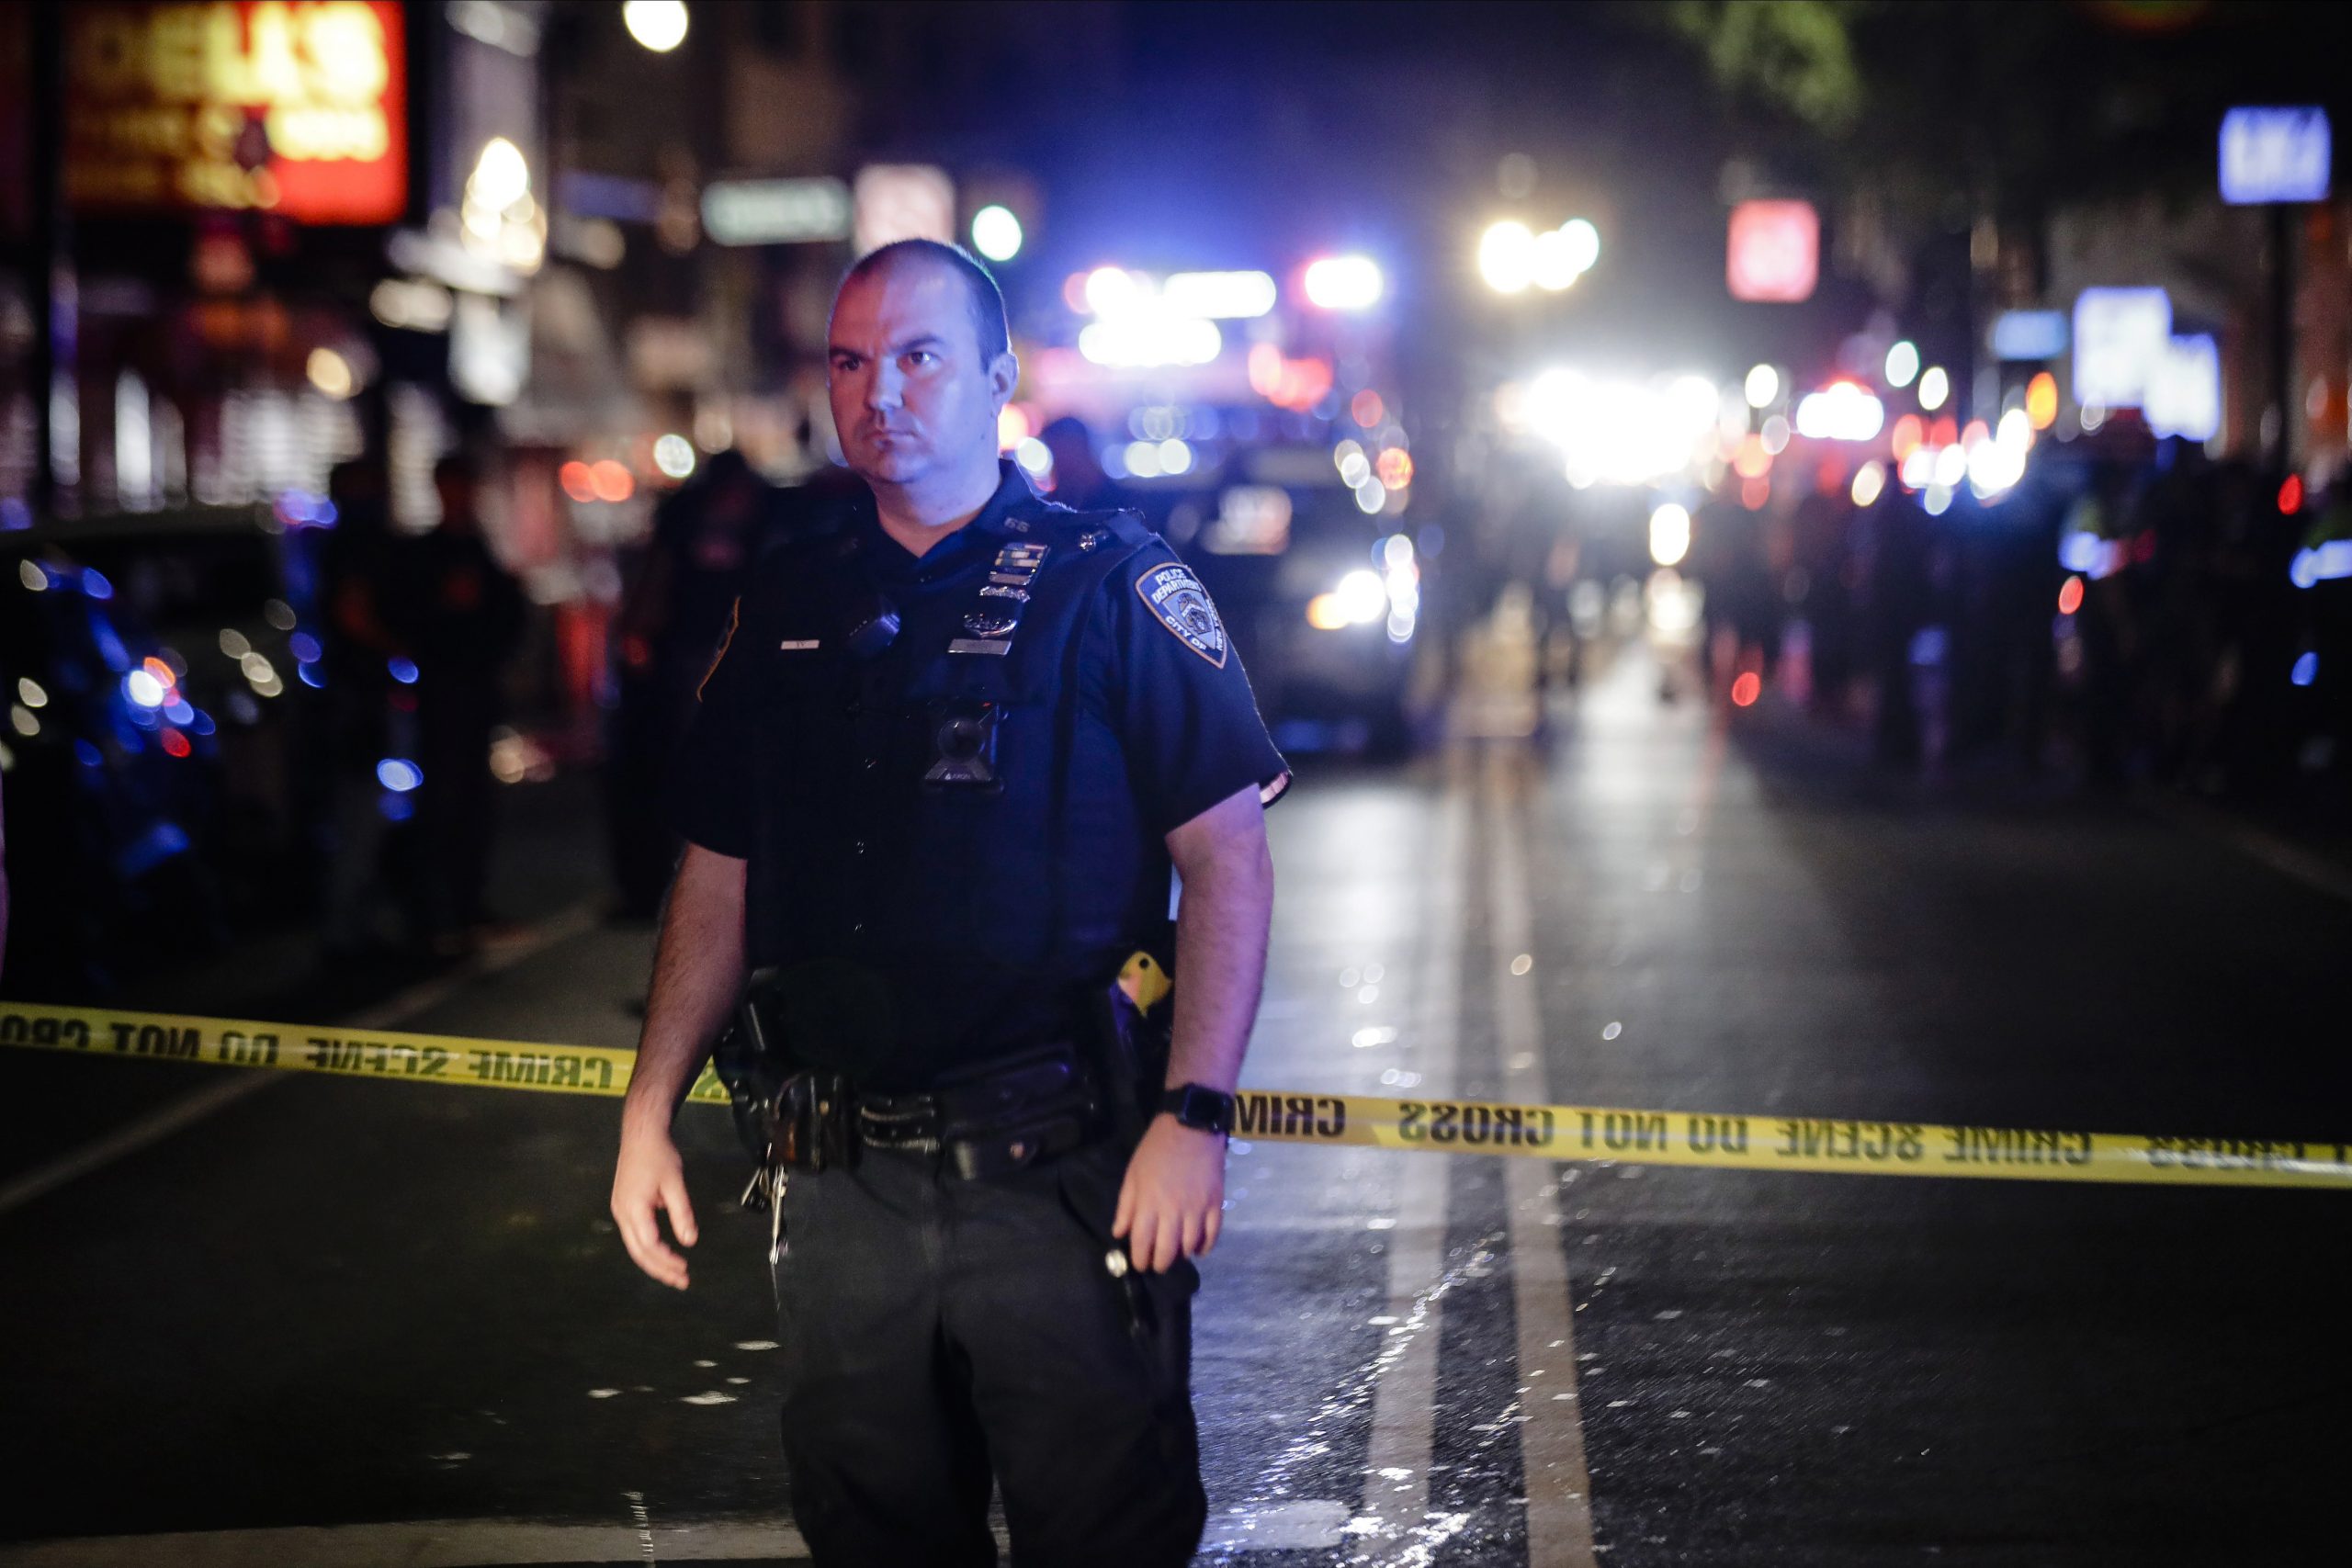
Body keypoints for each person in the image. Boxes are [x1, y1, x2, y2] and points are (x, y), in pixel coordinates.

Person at [609, 238, 1286, 1566]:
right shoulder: (791, 595)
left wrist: (1194, 1115)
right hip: (839, 1185)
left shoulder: (1112, 585)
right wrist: (649, 1106)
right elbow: (720, 866)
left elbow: (1228, 858)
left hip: (1060, 1174)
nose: (882, 393)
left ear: (996, 376)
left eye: (919, 356)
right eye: (852, 361)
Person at [386, 453, 526, 954]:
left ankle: (468, 905)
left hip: (476, 686)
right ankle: (433, 915)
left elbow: (508, 612)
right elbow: (402, 617)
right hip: (441, 690)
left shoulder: (479, 546)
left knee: (474, 803)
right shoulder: (424, 553)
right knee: (441, 802)